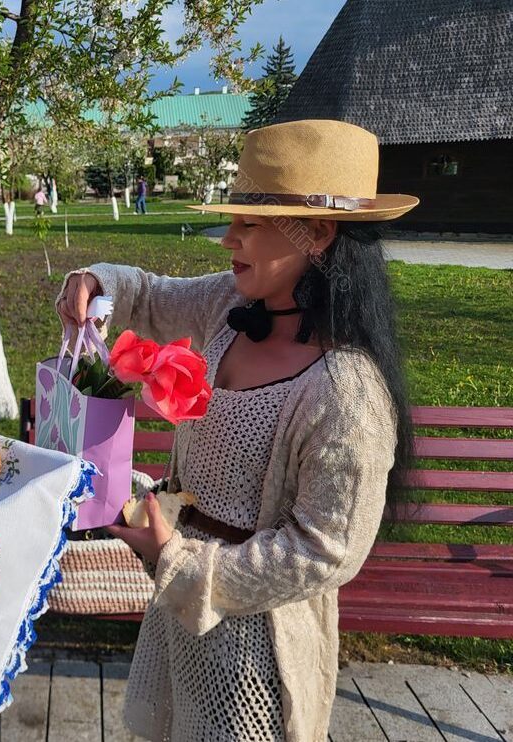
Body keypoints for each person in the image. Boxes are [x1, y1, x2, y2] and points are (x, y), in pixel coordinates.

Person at [55, 119, 419, 742]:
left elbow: (326, 549)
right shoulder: (230, 306)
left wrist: (179, 563)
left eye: (251, 224)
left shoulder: (345, 394)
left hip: (256, 651)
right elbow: (148, 295)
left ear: (318, 234)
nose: (229, 238)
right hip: (177, 618)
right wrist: (94, 281)